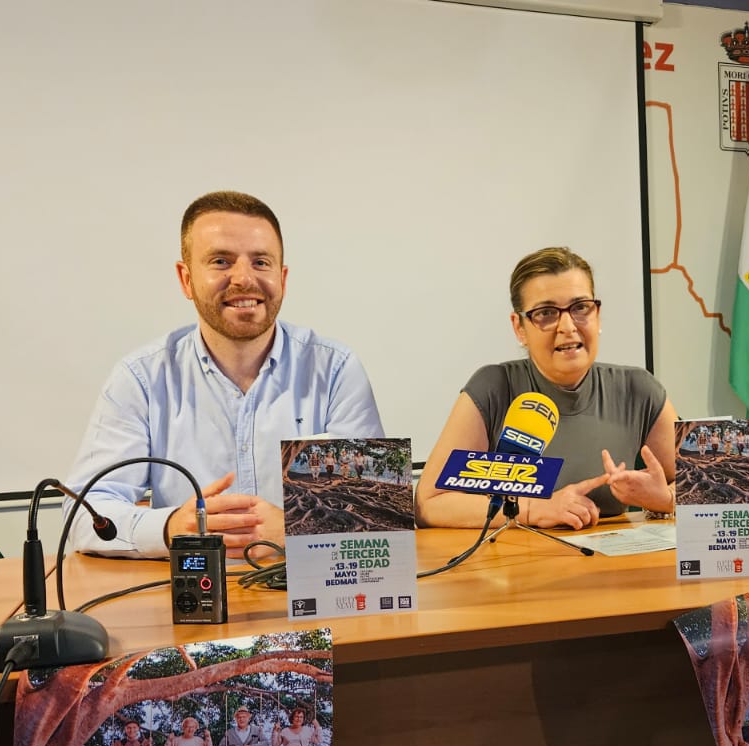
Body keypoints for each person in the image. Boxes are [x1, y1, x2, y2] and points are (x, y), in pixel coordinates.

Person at [64, 190, 384, 559]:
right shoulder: (140, 380)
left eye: (261, 262)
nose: (244, 279)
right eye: (221, 261)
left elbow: (375, 515)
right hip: (192, 597)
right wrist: (171, 528)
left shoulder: (336, 371)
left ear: (282, 277)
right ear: (186, 279)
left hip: (306, 594)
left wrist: (297, 526)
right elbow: (82, 514)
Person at [415, 247, 677, 529]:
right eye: (546, 313)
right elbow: (429, 503)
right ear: (519, 328)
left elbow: (711, 489)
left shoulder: (639, 390)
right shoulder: (492, 388)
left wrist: (666, 499)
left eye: (580, 308)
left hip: (609, 566)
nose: (567, 326)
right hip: (513, 567)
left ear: (597, 315)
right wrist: (530, 509)